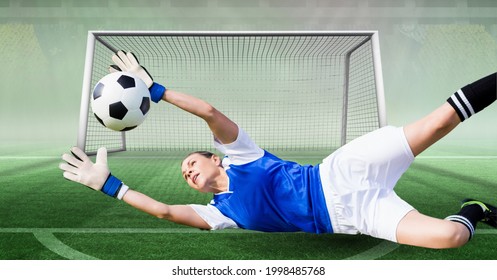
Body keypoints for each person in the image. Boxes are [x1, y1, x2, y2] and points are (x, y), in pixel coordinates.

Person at [60, 51, 497, 249]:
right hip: (353, 216)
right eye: (184, 174)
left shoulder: (243, 155)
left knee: (440, 120)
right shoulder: (221, 213)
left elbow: (210, 112)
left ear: (214, 157)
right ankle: (473, 206)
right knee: (451, 237)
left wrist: (155, 89)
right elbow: (163, 211)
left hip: (340, 172)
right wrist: (109, 185)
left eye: (191, 161)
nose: (187, 171)